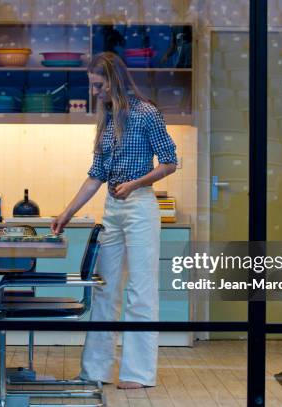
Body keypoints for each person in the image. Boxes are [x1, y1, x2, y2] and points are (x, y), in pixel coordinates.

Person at [51, 52, 178, 389]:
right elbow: (95, 176)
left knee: (141, 291)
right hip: (112, 208)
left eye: (97, 85)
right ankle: (95, 370)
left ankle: (138, 374)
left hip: (139, 207)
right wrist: (67, 213)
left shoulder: (147, 114)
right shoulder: (106, 118)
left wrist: (135, 184)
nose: (94, 92)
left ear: (113, 81)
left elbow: (170, 162)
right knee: (105, 289)